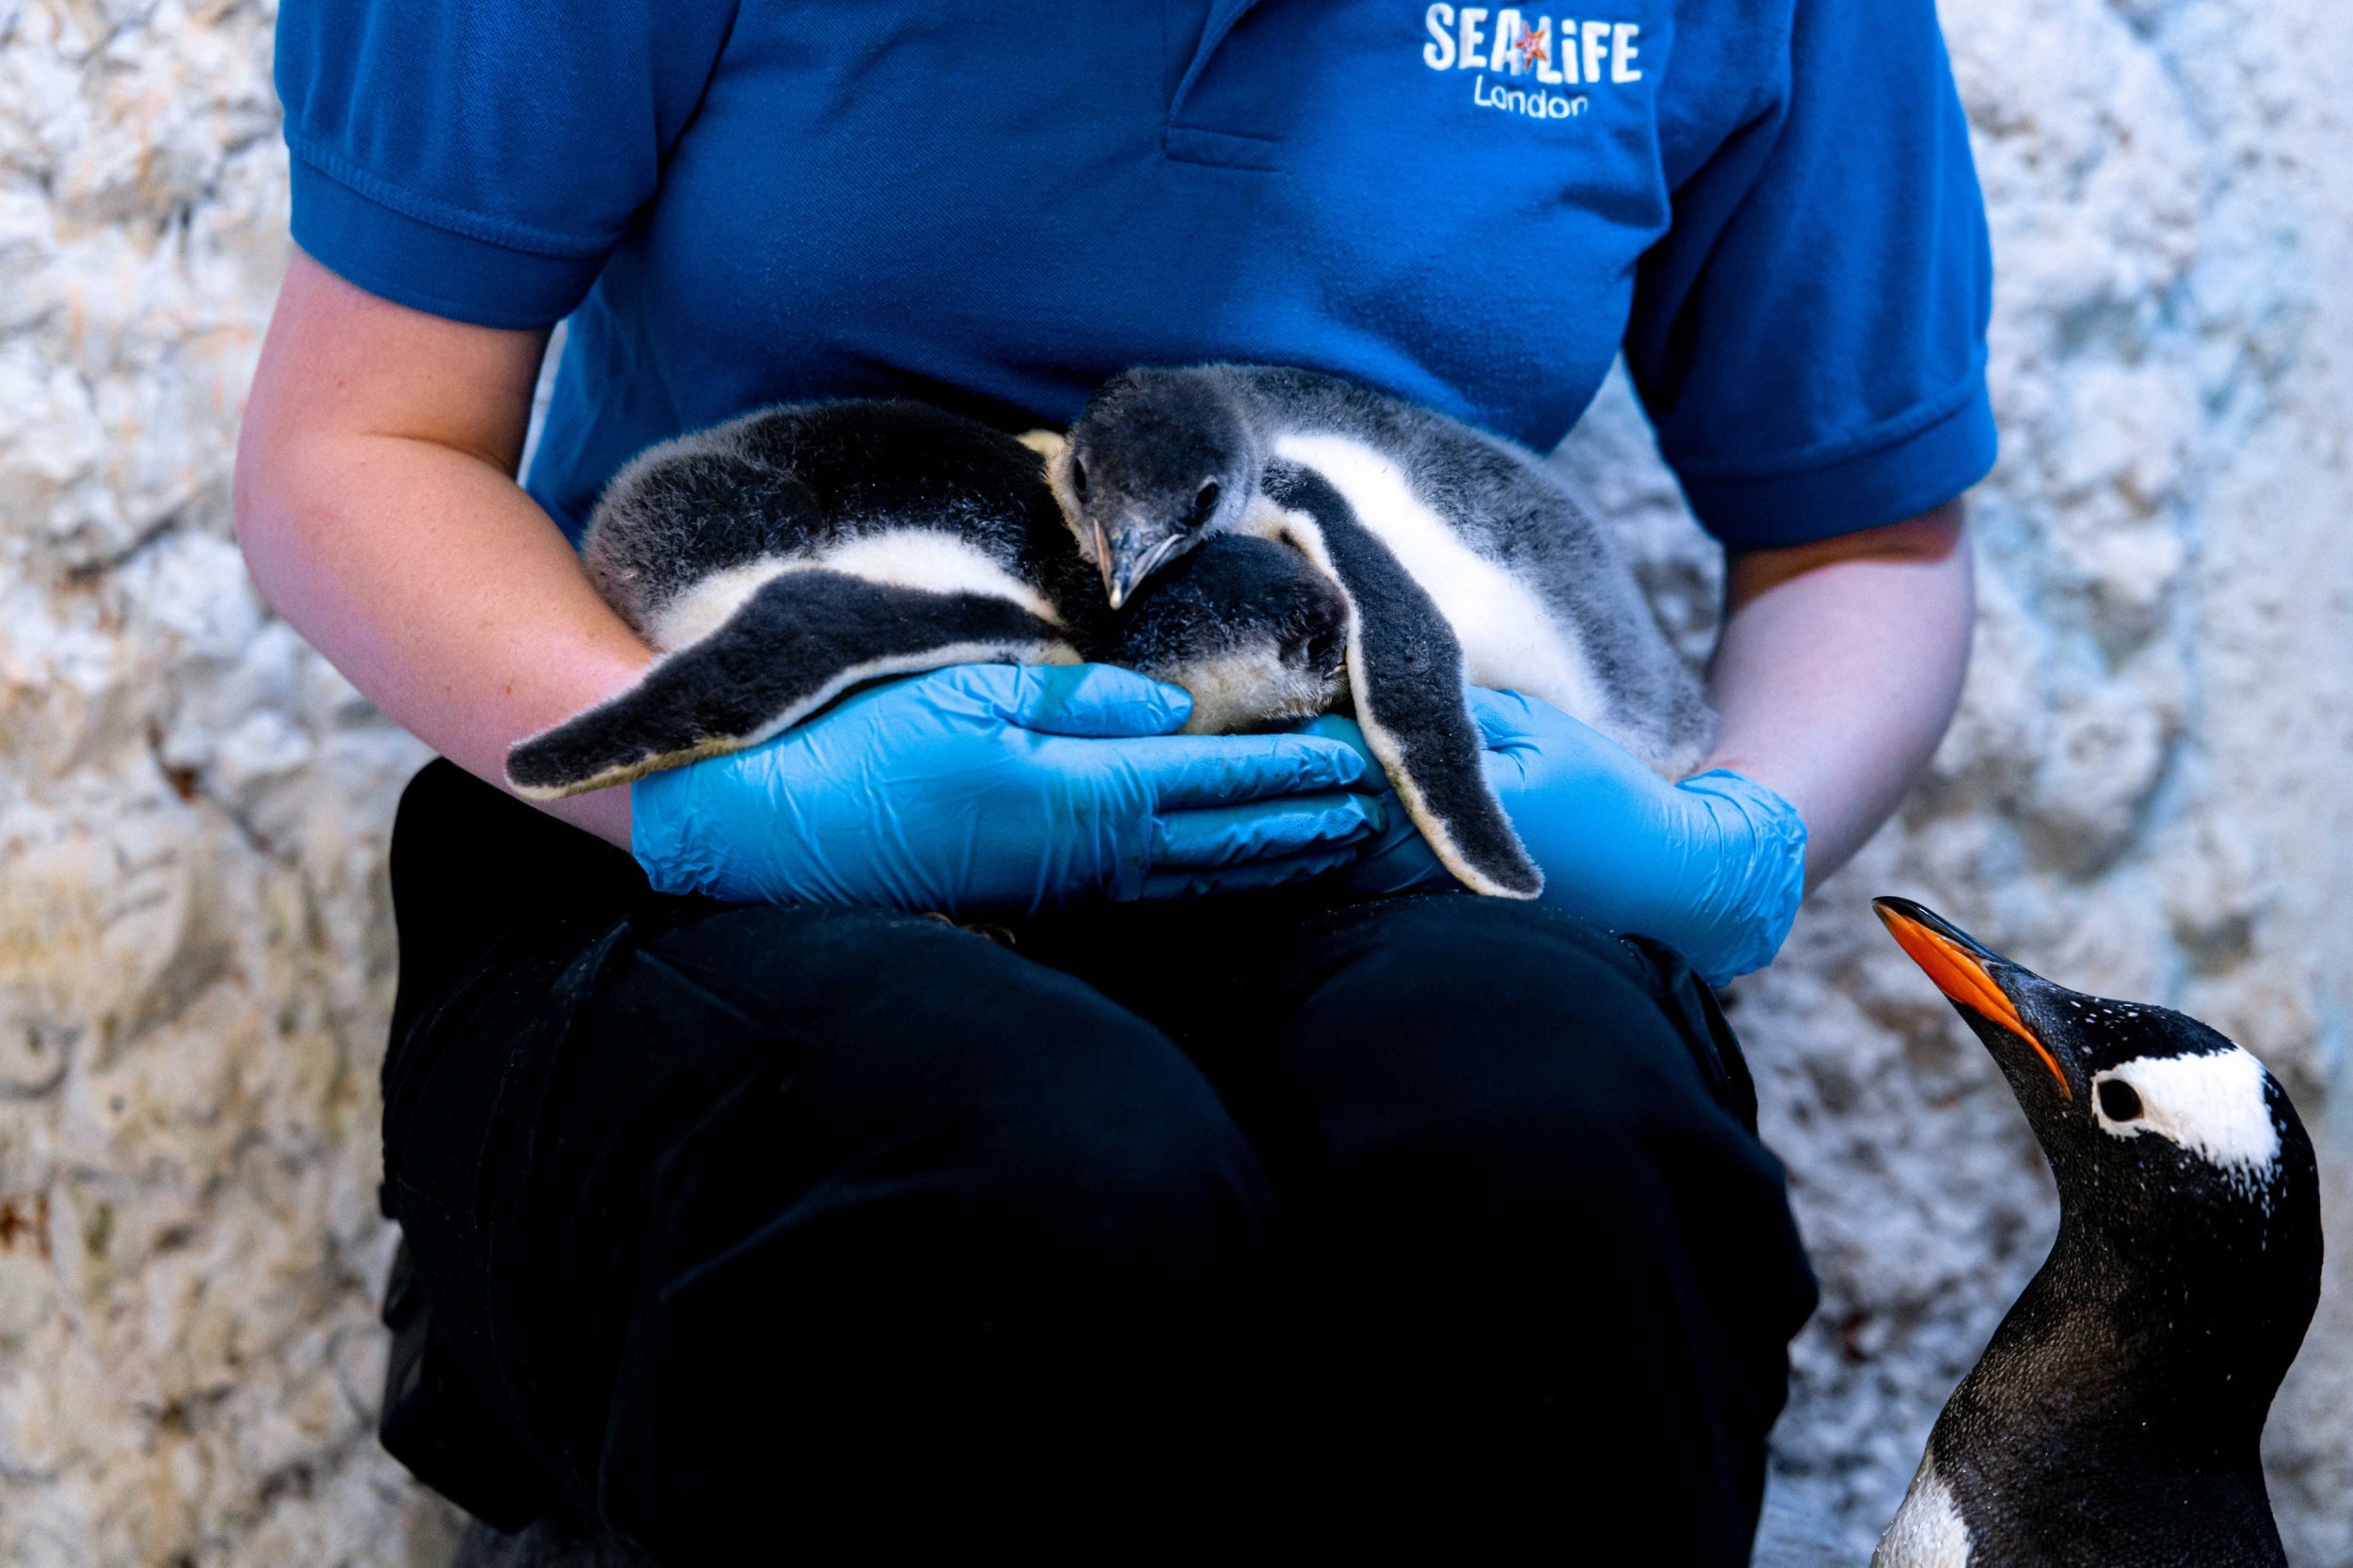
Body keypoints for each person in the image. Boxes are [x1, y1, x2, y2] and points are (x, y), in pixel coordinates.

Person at [236, 2, 1990, 1561]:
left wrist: (1731, 839)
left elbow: (1867, 535)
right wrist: (710, 795)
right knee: (1028, 1174)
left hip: (1360, 853)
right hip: (706, 819)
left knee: (1555, 1148)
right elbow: (358, 442)